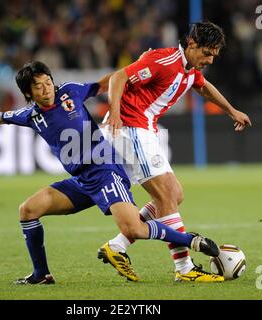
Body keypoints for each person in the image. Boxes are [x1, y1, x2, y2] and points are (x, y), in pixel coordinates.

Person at [0, 61, 223, 285]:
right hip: (81, 180)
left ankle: (191, 240)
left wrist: (133, 69)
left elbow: (102, 83)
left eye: (48, 82)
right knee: (28, 210)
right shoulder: (30, 116)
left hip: (105, 171)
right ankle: (41, 275)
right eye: (39, 86)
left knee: (133, 228)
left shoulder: (70, 91)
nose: (47, 88)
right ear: (28, 93)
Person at [101, 21, 252, 282]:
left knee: (174, 194)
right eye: (207, 53)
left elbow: (203, 87)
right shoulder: (164, 60)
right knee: (167, 194)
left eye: (214, 55)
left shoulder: (190, 69)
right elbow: (119, 77)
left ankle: (118, 246)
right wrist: (114, 111)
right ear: (192, 43)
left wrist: (232, 111)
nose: (210, 60)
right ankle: (184, 269)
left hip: (143, 129)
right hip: (130, 127)